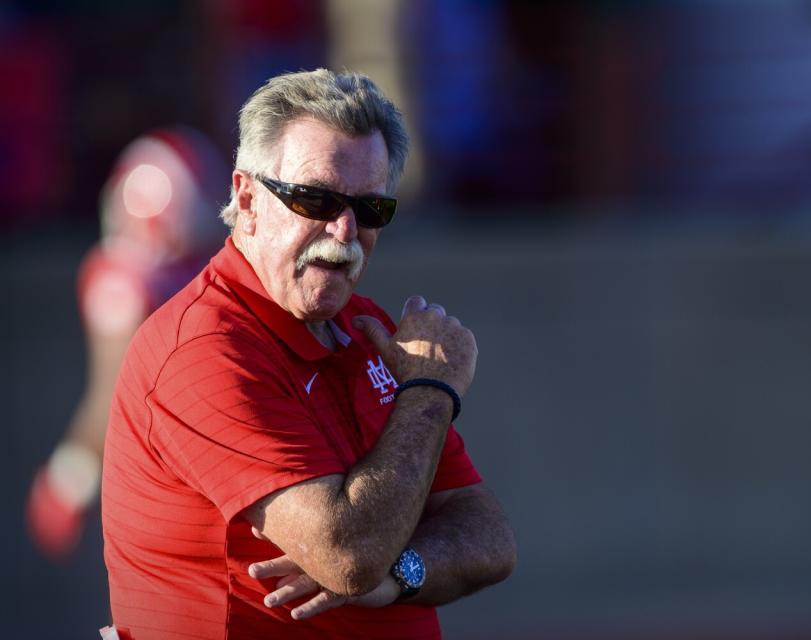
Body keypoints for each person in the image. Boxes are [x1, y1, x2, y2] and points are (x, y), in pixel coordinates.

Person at [101, 68, 517, 639]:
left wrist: (398, 573)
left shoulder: (364, 327)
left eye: (370, 209)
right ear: (246, 198)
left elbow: (490, 537)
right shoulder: (205, 349)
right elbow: (348, 554)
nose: (344, 231)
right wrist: (429, 393)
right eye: (315, 199)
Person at [26, 127, 226, 559]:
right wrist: (71, 475)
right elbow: (116, 392)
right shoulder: (132, 280)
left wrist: (65, 479)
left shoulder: (145, 273)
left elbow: (111, 394)